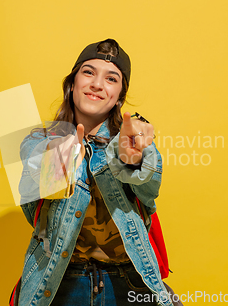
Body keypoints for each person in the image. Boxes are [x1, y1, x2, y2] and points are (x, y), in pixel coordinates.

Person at [16, 39, 176, 306]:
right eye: (88, 72)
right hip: (60, 284)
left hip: (129, 283)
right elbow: (34, 179)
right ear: (72, 84)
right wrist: (62, 155)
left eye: (111, 78)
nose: (97, 84)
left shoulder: (132, 142)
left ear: (120, 97)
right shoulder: (39, 143)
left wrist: (130, 159)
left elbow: (149, 185)